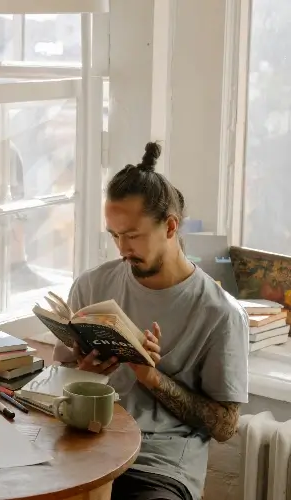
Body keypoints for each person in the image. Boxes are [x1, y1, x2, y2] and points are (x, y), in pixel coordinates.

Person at [53, 142, 248, 500]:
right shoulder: (91, 285)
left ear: (170, 227)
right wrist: (84, 374)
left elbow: (225, 426)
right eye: (114, 236)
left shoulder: (221, 313)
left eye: (132, 235)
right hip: (87, 443)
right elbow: (58, 382)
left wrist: (152, 377)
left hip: (157, 466)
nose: (122, 249)